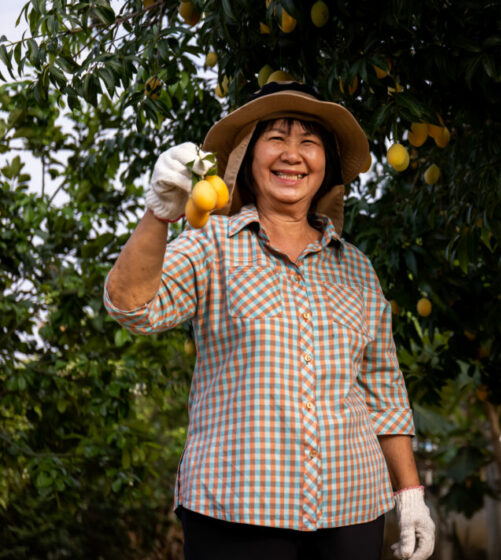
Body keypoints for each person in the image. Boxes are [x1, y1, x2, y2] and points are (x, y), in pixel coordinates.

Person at [103, 81, 435, 560]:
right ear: (247, 157)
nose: (292, 155)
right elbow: (132, 307)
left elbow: (383, 388)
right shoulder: (210, 245)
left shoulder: (357, 268)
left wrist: (410, 495)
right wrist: (158, 215)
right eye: (276, 138)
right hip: (236, 511)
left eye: (309, 142)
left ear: (326, 166)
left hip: (354, 509)